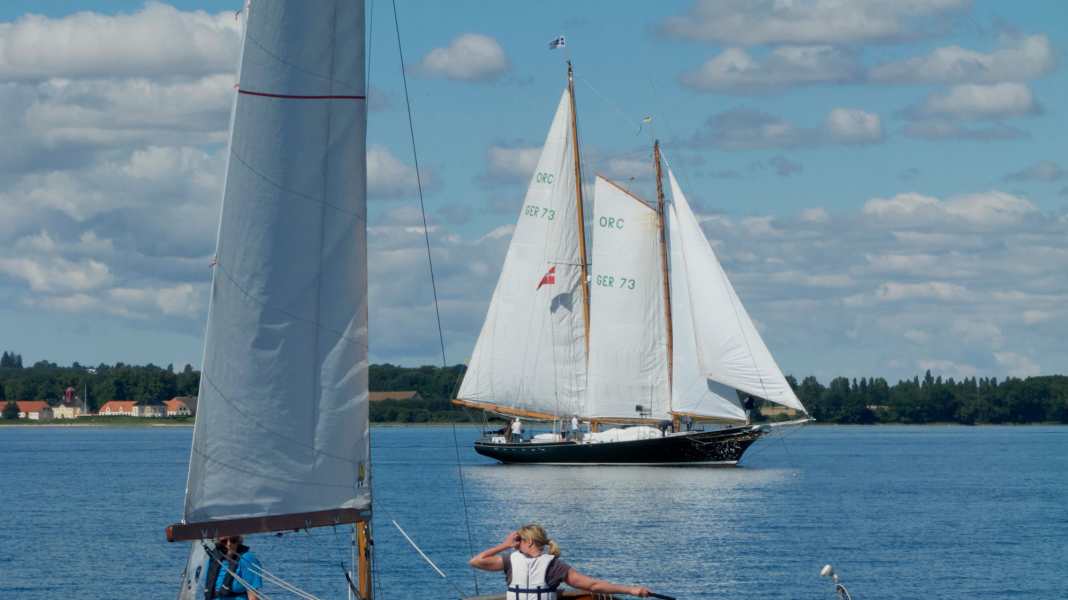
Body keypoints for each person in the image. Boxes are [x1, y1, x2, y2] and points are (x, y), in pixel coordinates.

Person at [469, 524, 650, 599]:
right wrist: (632, 590)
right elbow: (593, 585)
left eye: (519, 541)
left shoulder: (510, 560)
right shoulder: (554, 566)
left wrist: (504, 545)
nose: (515, 545)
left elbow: (477, 561)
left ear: (529, 541)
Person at [205, 535, 262, 599]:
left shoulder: (247, 559)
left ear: (238, 541)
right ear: (218, 542)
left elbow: (253, 597)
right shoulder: (214, 559)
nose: (229, 544)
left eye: (233, 540)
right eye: (224, 541)